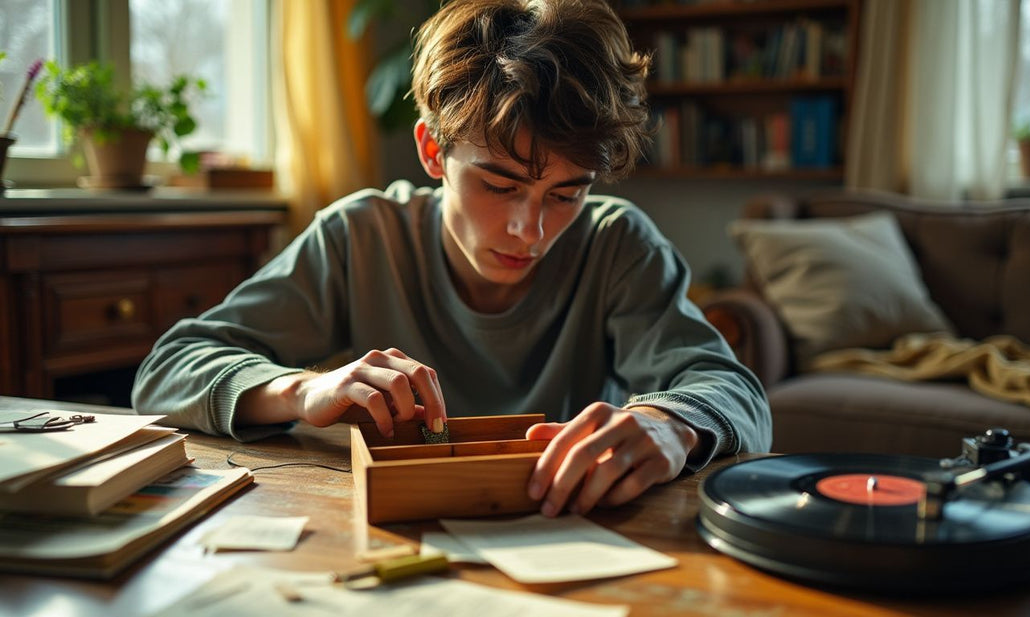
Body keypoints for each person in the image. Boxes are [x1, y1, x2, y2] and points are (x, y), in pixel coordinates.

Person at [133, 0, 771, 517]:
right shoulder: (360, 235)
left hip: (566, 530)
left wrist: (670, 423)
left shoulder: (617, 245)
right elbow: (166, 371)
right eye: (499, 186)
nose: (530, 229)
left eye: (566, 192)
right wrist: (303, 390)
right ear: (433, 153)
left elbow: (735, 391)